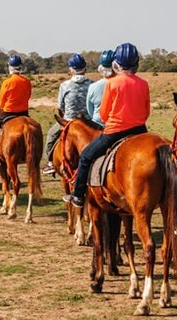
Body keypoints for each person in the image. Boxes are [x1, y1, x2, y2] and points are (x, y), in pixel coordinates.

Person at [63, 43, 150, 208]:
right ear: (136, 64)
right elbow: (146, 112)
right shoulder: (143, 83)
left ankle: (78, 195)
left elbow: (103, 113)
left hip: (115, 131)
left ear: (116, 64)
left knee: (86, 157)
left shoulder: (112, 83)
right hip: (140, 130)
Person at [42, 54, 93, 174]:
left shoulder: (65, 85)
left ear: (71, 70)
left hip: (69, 121)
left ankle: (50, 163)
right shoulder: (92, 84)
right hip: (87, 121)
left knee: (51, 135)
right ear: (85, 68)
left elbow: (61, 106)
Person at [0, 55, 32, 163]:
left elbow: (3, 100)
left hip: (9, 112)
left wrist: (4, 107)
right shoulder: (27, 81)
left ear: (10, 67)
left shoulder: (7, 82)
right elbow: (28, 96)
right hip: (24, 113)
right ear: (20, 67)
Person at [85, 50, 115, 127]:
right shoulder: (122, 85)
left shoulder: (93, 86)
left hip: (98, 125)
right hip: (116, 125)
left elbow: (90, 110)